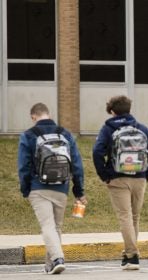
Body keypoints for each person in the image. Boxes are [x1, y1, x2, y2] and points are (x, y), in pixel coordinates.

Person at [17, 103, 87, 274]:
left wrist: (26, 189)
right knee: (56, 227)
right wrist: (79, 192)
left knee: (47, 226)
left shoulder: (28, 135)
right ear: (48, 114)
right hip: (61, 187)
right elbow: (77, 165)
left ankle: (57, 258)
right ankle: (51, 264)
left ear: (33, 116)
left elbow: (24, 166)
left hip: (38, 186)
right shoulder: (65, 134)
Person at [93, 95, 148, 270]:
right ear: (129, 109)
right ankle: (129, 255)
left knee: (125, 217)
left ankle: (132, 256)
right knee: (134, 218)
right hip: (140, 177)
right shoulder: (142, 128)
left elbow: (97, 152)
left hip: (117, 178)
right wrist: (145, 175)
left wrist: (105, 175)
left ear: (112, 111)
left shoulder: (108, 129)